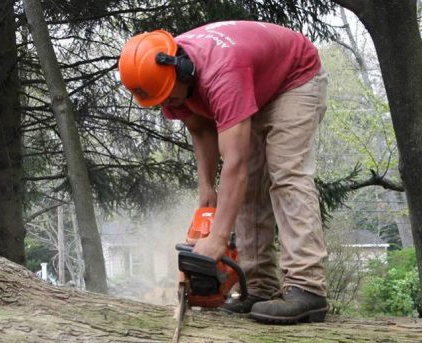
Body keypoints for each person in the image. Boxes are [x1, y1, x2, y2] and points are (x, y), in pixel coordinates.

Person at [118, 21, 328, 324]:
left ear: (182, 69)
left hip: (294, 78)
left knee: (286, 174)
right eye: (161, 101)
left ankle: (308, 289)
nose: (168, 105)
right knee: (250, 189)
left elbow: (235, 164)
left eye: (170, 98)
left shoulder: (222, 73)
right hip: (255, 84)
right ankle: (260, 287)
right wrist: (206, 188)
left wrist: (218, 237)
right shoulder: (165, 80)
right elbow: (201, 129)